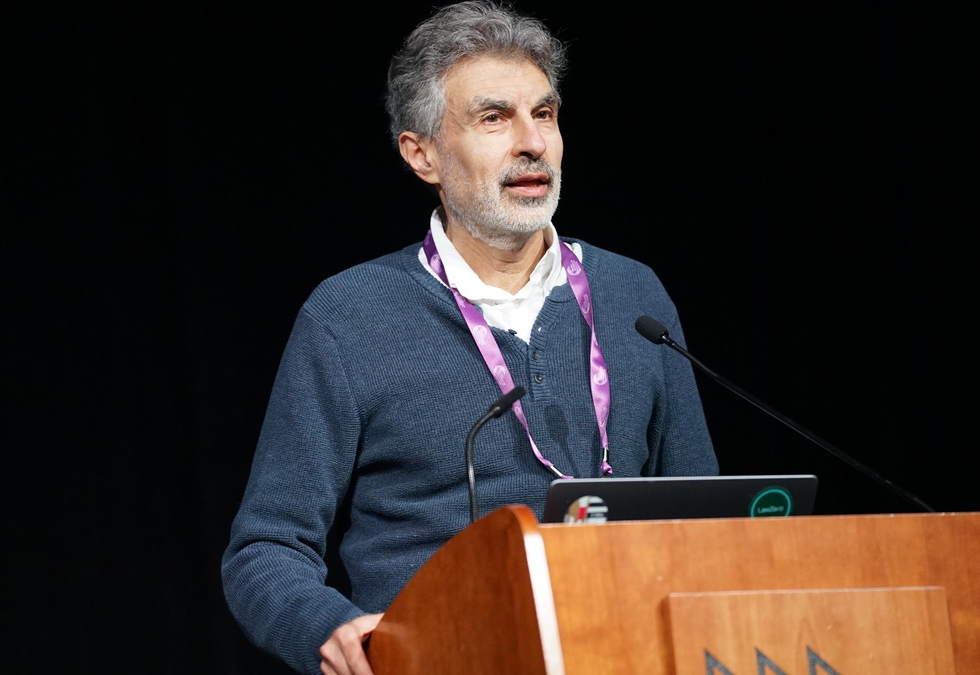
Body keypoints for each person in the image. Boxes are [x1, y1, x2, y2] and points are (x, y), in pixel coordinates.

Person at [221, 2, 719, 673]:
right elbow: (265, 548)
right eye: (494, 118)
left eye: (543, 114)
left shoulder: (634, 297)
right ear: (421, 153)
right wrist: (334, 627)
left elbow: (715, 523)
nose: (533, 142)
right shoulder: (348, 315)